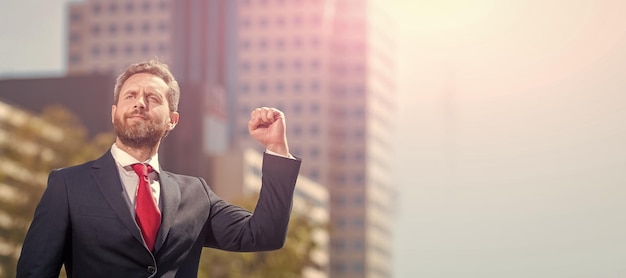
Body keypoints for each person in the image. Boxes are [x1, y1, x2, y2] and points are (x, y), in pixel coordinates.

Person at [16, 60, 301, 278]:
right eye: (130, 96)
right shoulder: (67, 185)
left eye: (153, 98)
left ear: (172, 120)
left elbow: (264, 234)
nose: (140, 102)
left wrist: (276, 148)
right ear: (113, 112)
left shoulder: (197, 195)